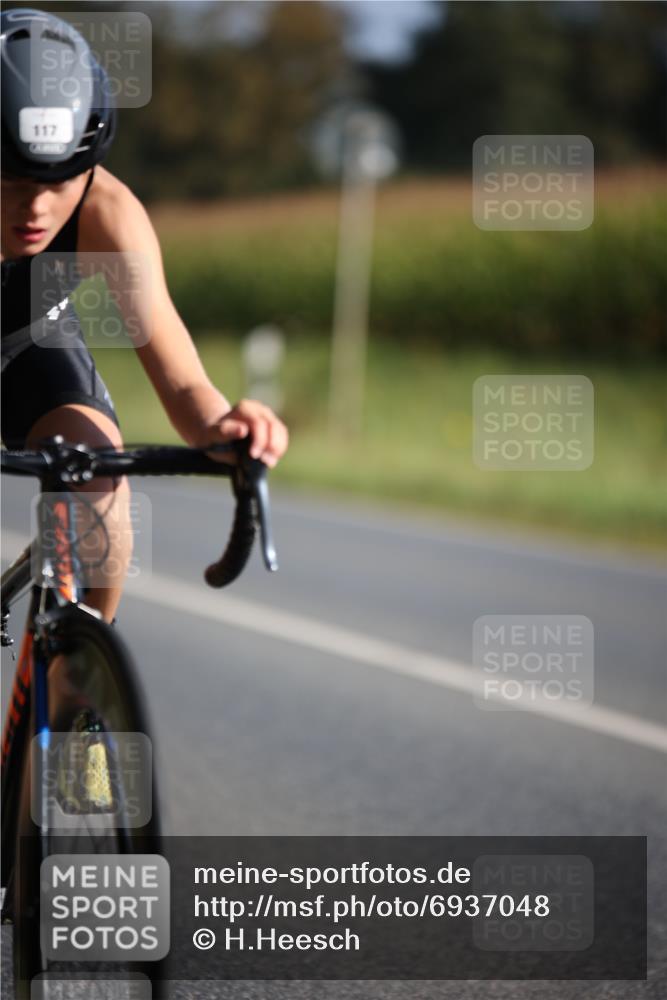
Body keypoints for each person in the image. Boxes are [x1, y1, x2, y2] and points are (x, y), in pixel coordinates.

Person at [1, 8, 288, 622]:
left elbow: (184, 384)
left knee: (98, 479)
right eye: (10, 180)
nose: (38, 205)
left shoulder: (109, 212)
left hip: (29, 346)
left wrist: (228, 427)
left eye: (62, 178)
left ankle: (80, 681)